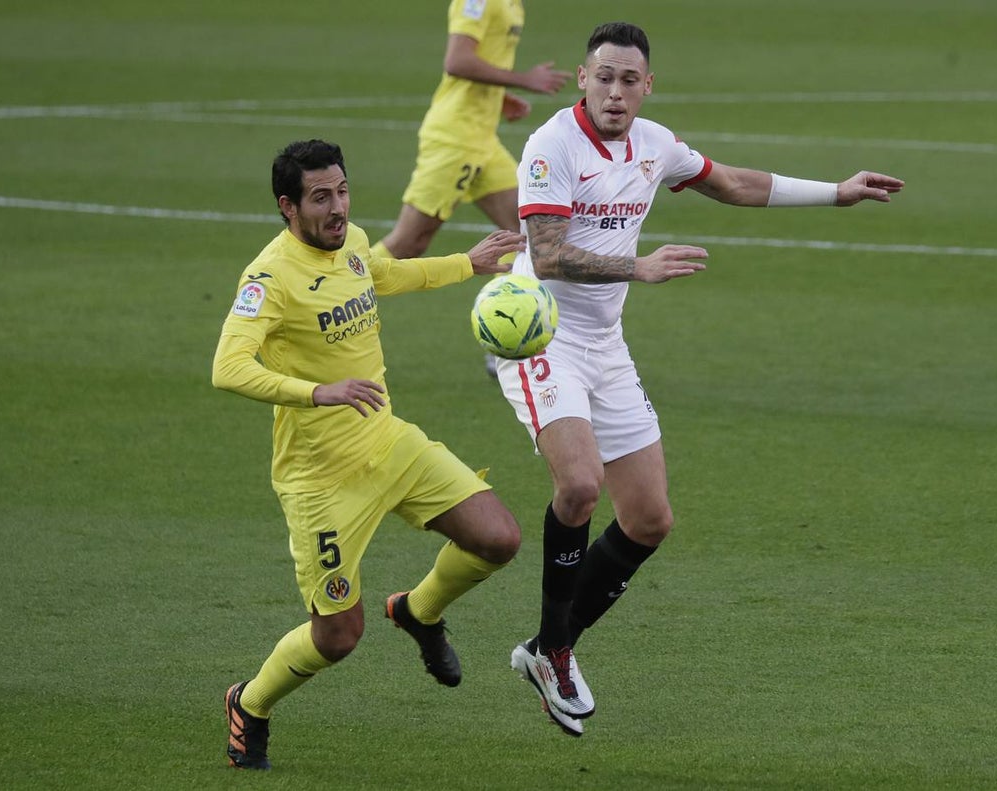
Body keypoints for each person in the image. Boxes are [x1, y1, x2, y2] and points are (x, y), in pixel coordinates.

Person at [495, 22, 905, 737]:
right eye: (604, 76)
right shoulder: (551, 146)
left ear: (647, 87)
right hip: (538, 333)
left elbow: (730, 183)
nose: (616, 91)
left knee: (649, 517)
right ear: (583, 79)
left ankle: (545, 648)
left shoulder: (657, 143)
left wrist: (834, 193)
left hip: (604, 343)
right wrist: (638, 265)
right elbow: (549, 253)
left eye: (630, 80)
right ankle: (555, 649)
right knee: (580, 485)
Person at [213, 139, 525, 770]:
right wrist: (316, 392)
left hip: (389, 441)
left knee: (498, 539)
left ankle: (418, 612)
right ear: (287, 207)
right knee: (338, 636)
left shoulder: (351, 240)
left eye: (342, 191)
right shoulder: (268, 278)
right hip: (321, 481)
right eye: (320, 197)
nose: (337, 208)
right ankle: (250, 703)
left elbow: (385, 275)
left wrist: (468, 262)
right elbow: (227, 368)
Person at [368, 0, 571, 378]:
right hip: (455, 140)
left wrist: (498, 99)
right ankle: (328, 299)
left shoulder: (513, 5)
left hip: (482, 140)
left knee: (525, 229)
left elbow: (478, 64)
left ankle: (502, 337)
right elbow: (457, 61)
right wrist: (523, 79)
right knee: (409, 243)